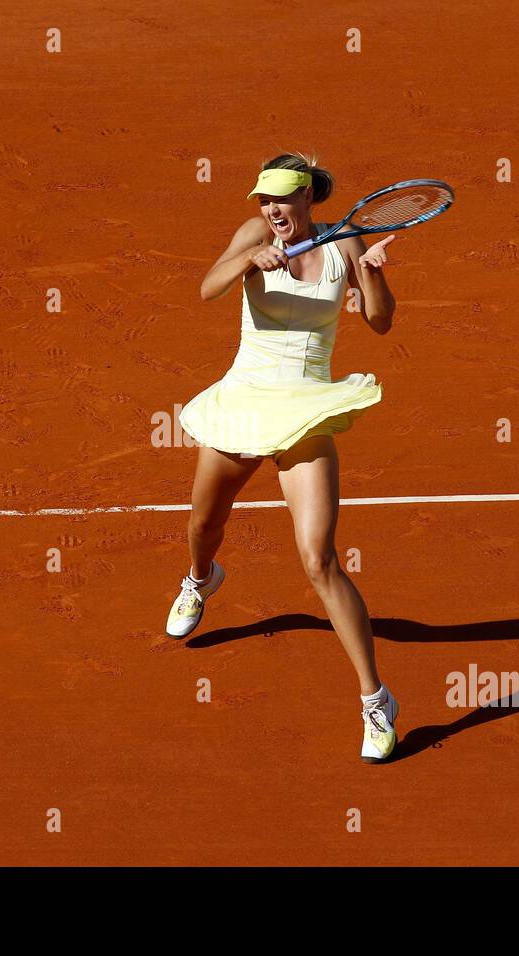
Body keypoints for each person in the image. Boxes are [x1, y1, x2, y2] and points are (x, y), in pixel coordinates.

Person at [167, 151, 402, 762]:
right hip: (244, 400)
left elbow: (379, 322)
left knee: (319, 558)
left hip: (307, 410)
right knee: (204, 525)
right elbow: (206, 288)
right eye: (264, 201)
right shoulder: (252, 235)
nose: (272, 211)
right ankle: (201, 580)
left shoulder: (346, 244)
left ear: (308, 199)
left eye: (282, 200)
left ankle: (376, 703)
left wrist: (371, 271)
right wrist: (248, 258)